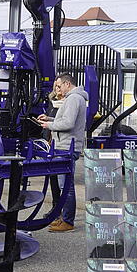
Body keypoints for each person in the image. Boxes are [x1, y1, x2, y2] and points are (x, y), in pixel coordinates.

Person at [38, 74, 88, 232]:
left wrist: (49, 125)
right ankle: (64, 218)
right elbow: (65, 119)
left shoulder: (73, 99)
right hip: (66, 146)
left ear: (67, 83)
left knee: (65, 186)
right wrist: (50, 119)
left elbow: (68, 123)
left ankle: (67, 221)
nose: (58, 89)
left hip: (66, 147)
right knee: (64, 185)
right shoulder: (75, 98)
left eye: (59, 86)